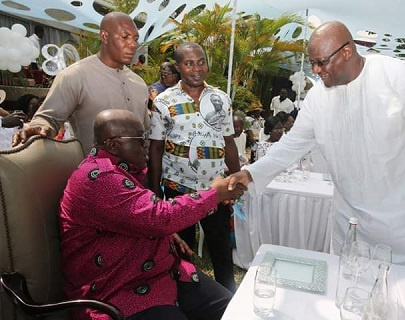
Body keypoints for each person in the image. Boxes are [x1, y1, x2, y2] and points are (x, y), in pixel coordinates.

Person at [227, 21, 405, 269]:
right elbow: (292, 144)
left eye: (321, 62)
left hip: (404, 222)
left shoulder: (401, 78)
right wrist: (250, 174)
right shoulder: (319, 96)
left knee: (400, 297)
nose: (316, 70)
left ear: (347, 52)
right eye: (313, 63)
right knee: (345, 291)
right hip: (349, 220)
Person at [60, 109, 244, 320]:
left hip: (160, 271)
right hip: (118, 287)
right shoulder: (99, 178)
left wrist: (164, 233)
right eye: (140, 139)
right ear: (113, 144)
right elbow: (160, 217)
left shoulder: (127, 169)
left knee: (233, 309)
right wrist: (215, 194)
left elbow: (142, 212)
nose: (146, 144)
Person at [149, 42, 240, 292]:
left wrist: (237, 178)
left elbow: (229, 142)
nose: (197, 68)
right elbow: (155, 148)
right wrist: (154, 193)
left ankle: (227, 303)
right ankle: (187, 300)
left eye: (201, 62)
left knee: (221, 251)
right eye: (189, 63)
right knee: (182, 253)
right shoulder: (163, 101)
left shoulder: (221, 98)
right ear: (178, 67)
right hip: (179, 189)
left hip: (216, 190)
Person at [12, 12, 150, 155]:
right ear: (105, 37)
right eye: (125, 37)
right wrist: (39, 127)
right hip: (92, 174)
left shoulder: (139, 83)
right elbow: (48, 118)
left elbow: (145, 130)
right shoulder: (75, 75)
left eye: (136, 38)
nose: (133, 44)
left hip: (137, 175)